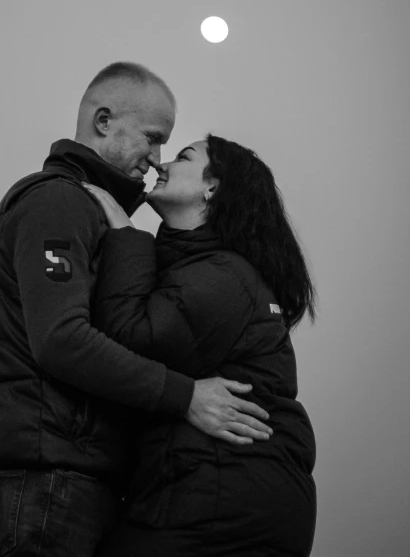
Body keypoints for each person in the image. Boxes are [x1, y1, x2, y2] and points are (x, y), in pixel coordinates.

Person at [0, 63, 272, 557]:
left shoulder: (93, 210)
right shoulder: (57, 202)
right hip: (47, 474)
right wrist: (186, 397)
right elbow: (61, 339)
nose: (156, 160)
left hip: (75, 472)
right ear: (105, 120)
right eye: (154, 139)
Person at [83, 134, 318, 557]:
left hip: (224, 506)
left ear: (212, 187)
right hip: (215, 494)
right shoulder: (205, 266)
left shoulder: (224, 274)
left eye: (182, 156)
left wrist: (123, 231)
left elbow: (129, 338)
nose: (161, 164)